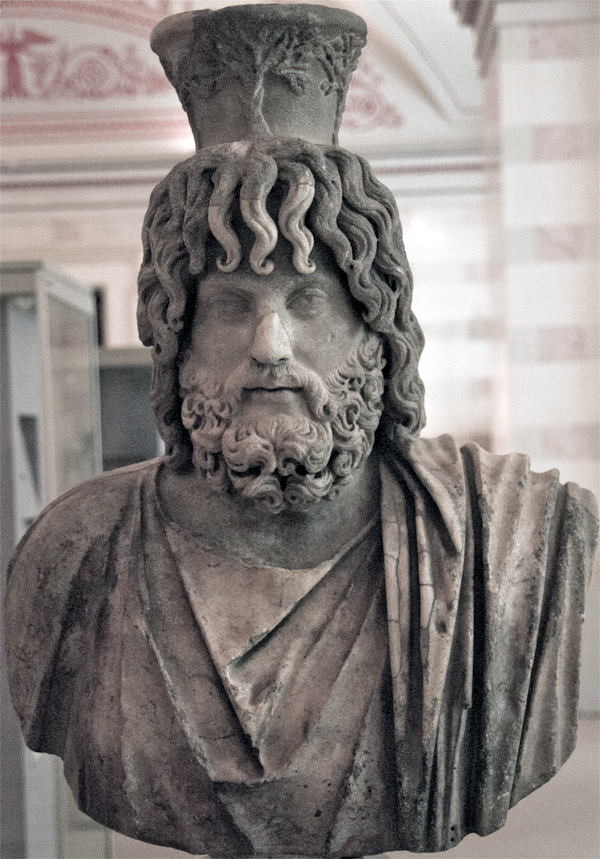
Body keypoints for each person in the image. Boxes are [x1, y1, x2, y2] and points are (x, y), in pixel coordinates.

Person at [5, 7, 598, 858]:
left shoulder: (512, 543)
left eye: (309, 300)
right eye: (232, 306)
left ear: (377, 331)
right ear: (175, 339)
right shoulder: (77, 554)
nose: (269, 348)